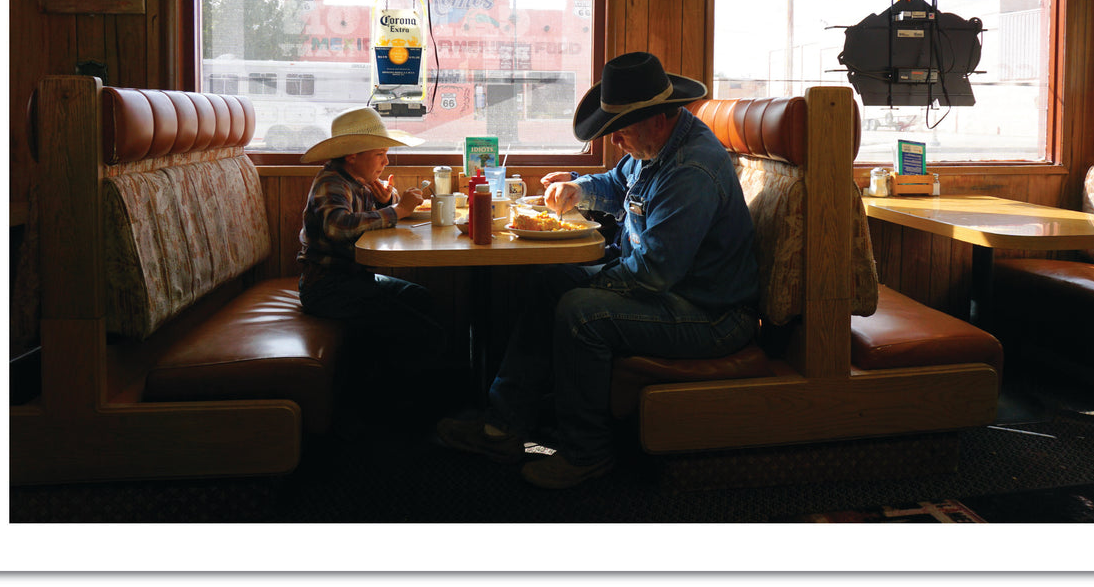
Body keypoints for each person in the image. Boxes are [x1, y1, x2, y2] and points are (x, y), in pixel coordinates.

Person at [437, 52, 759, 489]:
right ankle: (503, 426)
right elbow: (616, 182)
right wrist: (577, 187)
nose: (617, 142)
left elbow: (652, 275)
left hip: (710, 314)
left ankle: (586, 454)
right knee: (550, 280)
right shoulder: (656, 147)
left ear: (657, 119)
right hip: (674, 292)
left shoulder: (691, 170)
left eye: (621, 131)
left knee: (579, 310)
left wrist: (589, 277)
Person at [297, 106, 444, 416]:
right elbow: (338, 226)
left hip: (354, 279)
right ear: (352, 154)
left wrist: (385, 200)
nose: (386, 161)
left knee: (421, 298)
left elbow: (365, 216)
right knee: (415, 328)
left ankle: (408, 397)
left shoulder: (356, 181)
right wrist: (398, 211)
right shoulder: (331, 182)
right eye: (380, 154)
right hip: (326, 286)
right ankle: (410, 409)